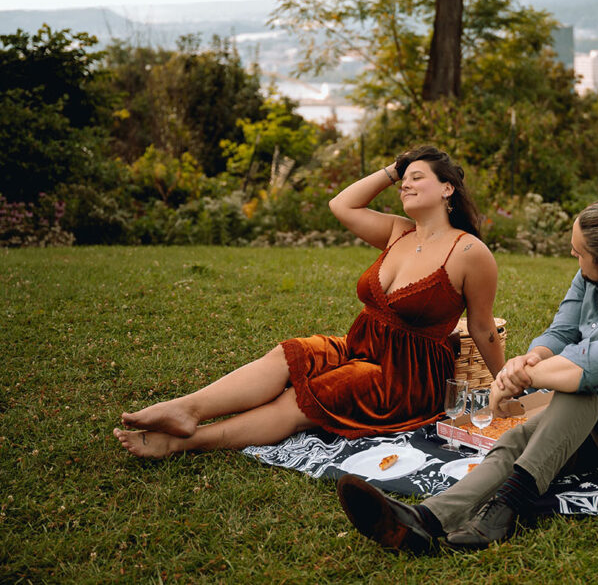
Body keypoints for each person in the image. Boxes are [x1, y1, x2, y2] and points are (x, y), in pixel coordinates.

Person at [337, 197, 598, 551]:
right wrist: (526, 361)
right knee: (516, 441)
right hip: (597, 422)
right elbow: (561, 334)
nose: (574, 258)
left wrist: (522, 379)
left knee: (597, 379)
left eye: (579, 253)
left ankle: (508, 506)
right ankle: (425, 519)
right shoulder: (592, 277)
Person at [113, 146, 505, 459]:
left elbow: (483, 328)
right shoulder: (397, 232)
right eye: (402, 181)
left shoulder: (470, 252)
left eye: (416, 178)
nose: (404, 185)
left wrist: (507, 387)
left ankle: (185, 442)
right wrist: (394, 168)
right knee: (291, 354)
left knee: (306, 395)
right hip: (361, 348)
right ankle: (188, 409)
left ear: (448, 188)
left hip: (405, 377)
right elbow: (342, 205)